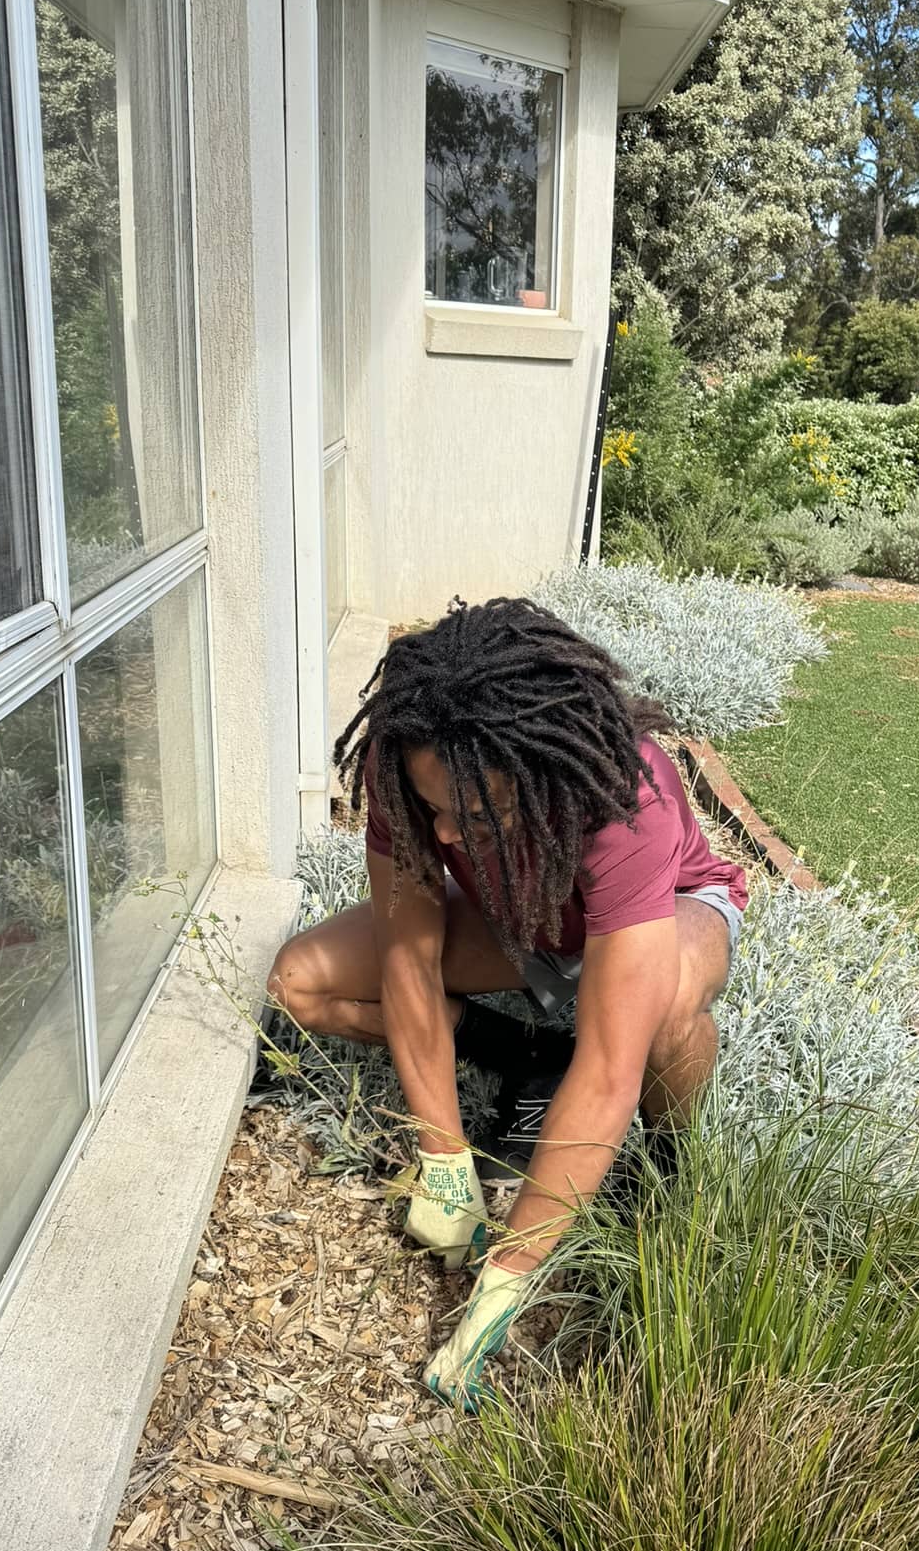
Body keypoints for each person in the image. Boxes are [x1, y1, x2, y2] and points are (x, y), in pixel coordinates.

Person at [268, 596, 746, 1408]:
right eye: (431, 810)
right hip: (516, 916)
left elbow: (605, 1073)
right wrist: (445, 1159)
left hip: (660, 914)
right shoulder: (411, 764)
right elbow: (408, 965)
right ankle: (521, 1054)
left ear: (539, 778)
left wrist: (507, 1277)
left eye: (473, 813)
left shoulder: (626, 800)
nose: (444, 835)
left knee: (652, 1019)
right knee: (300, 982)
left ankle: (671, 1161)